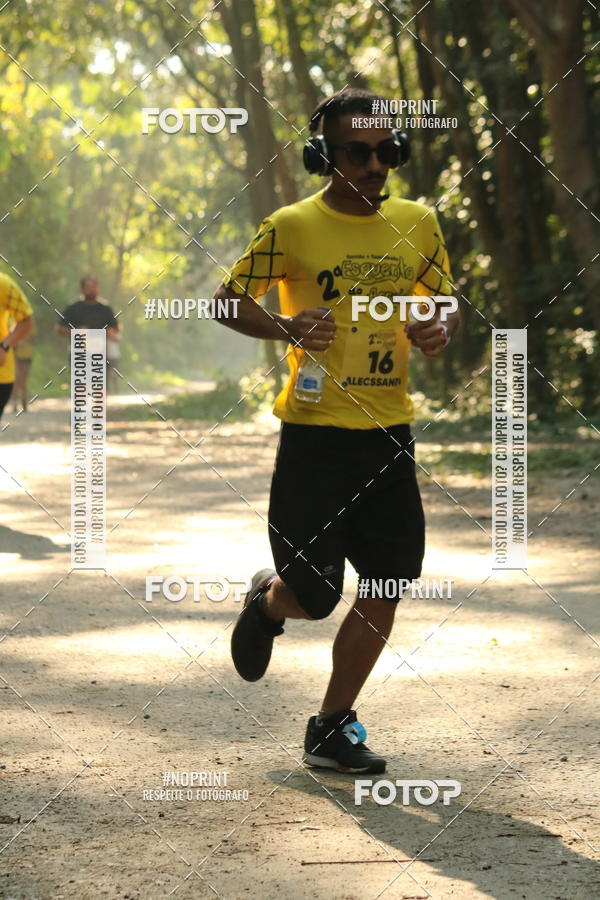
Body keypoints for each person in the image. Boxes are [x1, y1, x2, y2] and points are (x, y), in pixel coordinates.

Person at [212, 88, 460, 774]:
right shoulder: (291, 226)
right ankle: (270, 600)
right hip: (314, 439)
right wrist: (287, 326)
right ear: (325, 154)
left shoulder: (419, 222)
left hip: (389, 434)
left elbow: (444, 300)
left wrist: (439, 325)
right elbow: (226, 301)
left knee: (385, 583)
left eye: (389, 151)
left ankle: (330, 725)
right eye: (360, 151)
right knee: (316, 598)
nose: (378, 164)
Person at [57, 277, 120, 391]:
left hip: (100, 352)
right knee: (81, 386)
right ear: (82, 289)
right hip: (79, 352)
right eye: (88, 287)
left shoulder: (105, 308)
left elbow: (115, 328)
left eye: (93, 287)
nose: (91, 290)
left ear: (98, 288)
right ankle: (83, 407)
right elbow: (60, 328)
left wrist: (110, 332)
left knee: (99, 387)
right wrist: (76, 331)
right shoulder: (72, 308)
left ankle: (97, 407)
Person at [0, 272, 34, 422]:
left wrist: (5, 346)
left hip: (1, 374)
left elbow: (26, 321)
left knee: (23, 379)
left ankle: (22, 401)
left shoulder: (3, 284)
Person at [11, 318, 37, 413]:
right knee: (16, 379)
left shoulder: (31, 326)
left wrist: (24, 337)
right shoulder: (14, 324)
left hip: (27, 356)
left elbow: (34, 341)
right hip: (16, 355)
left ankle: (24, 401)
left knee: (23, 380)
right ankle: (14, 403)